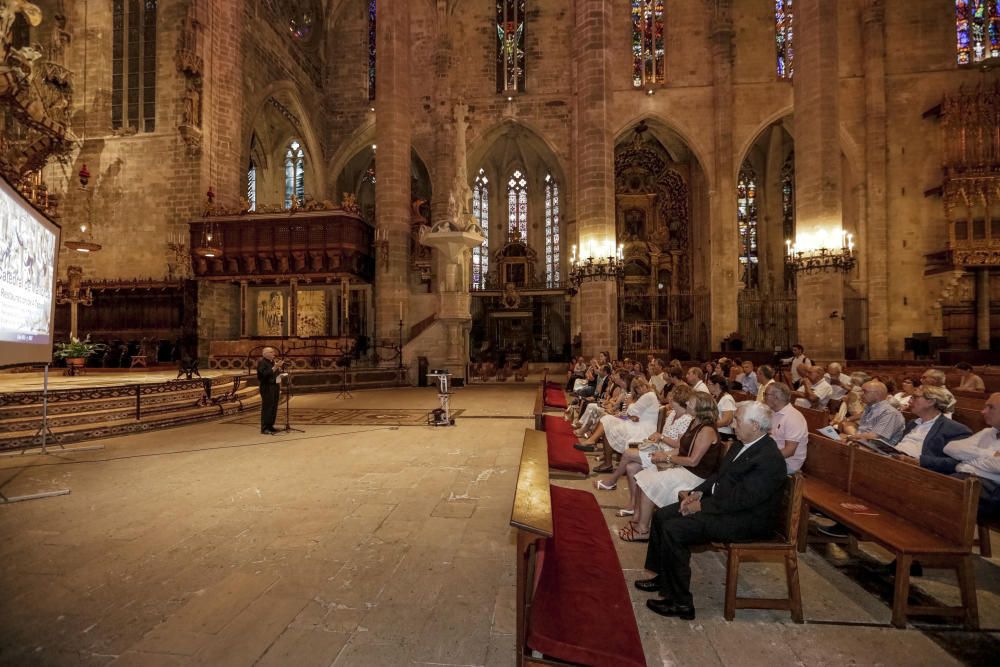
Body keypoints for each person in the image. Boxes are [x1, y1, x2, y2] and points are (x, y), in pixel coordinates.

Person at [635, 401, 787, 620]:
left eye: (737, 420)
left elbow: (743, 499)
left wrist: (702, 506)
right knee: (662, 516)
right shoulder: (741, 444)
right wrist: (696, 493)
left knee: (675, 529)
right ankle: (664, 577)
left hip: (747, 521)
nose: (732, 424)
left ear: (754, 425)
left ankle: (681, 603)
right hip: (728, 508)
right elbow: (718, 475)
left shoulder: (769, 458)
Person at [622, 391, 723, 542]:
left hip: (696, 476)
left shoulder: (707, 430)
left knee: (649, 481)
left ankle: (643, 530)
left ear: (700, 408)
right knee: (643, 476)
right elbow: (682, 448)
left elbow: (693, 461)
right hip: (685, 469)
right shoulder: (693, 422)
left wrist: (667, 457)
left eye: (691, 402)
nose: (687, 403)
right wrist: (663, 455)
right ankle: (639, 521)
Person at [577, 377, 661, 474]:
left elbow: (632, 411)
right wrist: (632, 413)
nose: (640, 389)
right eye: (637, 388)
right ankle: (593, 442)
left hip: (643, 429)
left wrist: (630, 404)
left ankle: (606, 461)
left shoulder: (649, 395)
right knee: (606, 420)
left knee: (610, 428)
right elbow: (632, 413)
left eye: (642, 386)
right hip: (636, 423)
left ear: (646, 385)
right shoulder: (645, 396)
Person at [946, 393, 1000, 524]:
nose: (983, 411)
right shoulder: (988, 432)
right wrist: (988, 454)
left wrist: (968, 459)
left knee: (936, 497)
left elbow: (997, 466)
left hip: (992, 490)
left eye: (990, 407)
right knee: (928, 488)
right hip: (964, 479)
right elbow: (950, 448)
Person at [891, 385, 971, 473]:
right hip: (894, 461)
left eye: (915, 397)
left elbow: (956, 462)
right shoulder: (913, 423)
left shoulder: (956, 429)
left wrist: (918, 462)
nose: (909, 401)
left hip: (917, 471)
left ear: (931, 402)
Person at [763, 382, 809, 473]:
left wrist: (763, 458)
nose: (764, 397)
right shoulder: (773, 412)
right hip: (773, 454)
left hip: (787, 463)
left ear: (776, 398)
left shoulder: (793, 417)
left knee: (747, 470)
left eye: (766, 394)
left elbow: (789, 451)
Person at [257, 346, 285, 434]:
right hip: (267, 387)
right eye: (271, 352)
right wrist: (275, 368)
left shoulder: (272, 362)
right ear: (266, 354)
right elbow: (264, 375)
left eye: (273, 352)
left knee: (274, 406)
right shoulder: (262, 362)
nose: (274, 354)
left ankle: (270, 426)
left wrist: (279, 371)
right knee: (267, 407)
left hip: (274, 386)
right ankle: (265, 428)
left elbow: (274, 373)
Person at [707, 374, 736, 443]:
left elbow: (726, 421)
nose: (707, 386)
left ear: (716, 385)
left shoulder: (726, 399)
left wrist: (708, 424)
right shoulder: (714, 397)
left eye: (709, 384)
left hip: (723, 433)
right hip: (716, 431)